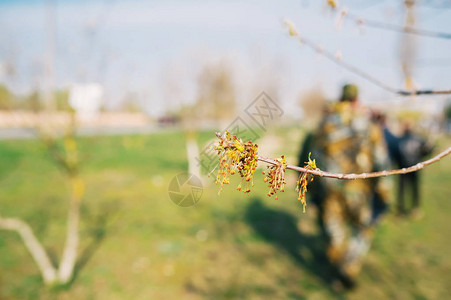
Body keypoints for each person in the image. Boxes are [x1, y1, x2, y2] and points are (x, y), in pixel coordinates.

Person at [298, 84, 390, 289]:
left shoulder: (324, 126)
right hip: (360, 190)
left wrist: (312, 191)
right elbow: (381, 161)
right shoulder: (369, 126)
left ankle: (340, 267)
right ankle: (349, 267)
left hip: (331, 191)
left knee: (334, 233)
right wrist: (384, 192)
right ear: (357, 100)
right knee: (362, 229)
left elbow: (312, 160)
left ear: (341, 98)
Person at [384, 122, 433, 218]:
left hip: (410, 168)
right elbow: (426, 151)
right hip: (405, 169)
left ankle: (412, 209)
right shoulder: (402, 140)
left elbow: (425, 151)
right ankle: (403, 209)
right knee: (405, 189)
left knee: (411, 189)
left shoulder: (414, 139)